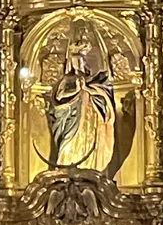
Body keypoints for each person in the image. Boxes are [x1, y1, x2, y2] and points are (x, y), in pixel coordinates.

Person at [43, 34, 117, 172]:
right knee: (67, 145)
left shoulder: (94, 81)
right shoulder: (68, 80)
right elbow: (59, 98)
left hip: (90, 122)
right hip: (71, 119)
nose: (79, 64)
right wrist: (77, 90)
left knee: (89, 144)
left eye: (81, 60)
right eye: (76, 61)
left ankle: (90, 169)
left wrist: (88, 89)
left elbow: (104, 98)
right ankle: (66, 170)